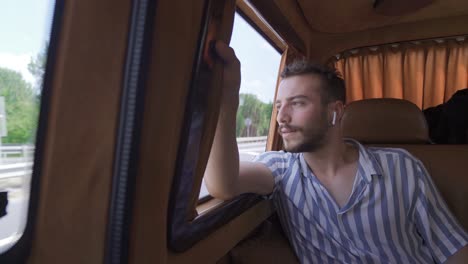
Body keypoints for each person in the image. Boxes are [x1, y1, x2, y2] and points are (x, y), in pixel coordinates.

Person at [204, 41, 468, 263]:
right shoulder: (282, 170)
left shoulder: (402, 167)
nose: (281, 118)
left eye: (296, 103)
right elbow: (223, 183)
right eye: (277, 106)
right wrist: (228, 97)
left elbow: (453, 248)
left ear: (335, 112)